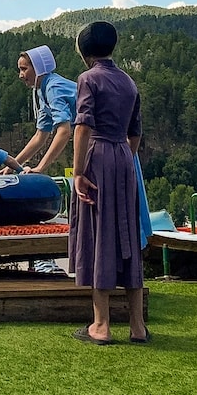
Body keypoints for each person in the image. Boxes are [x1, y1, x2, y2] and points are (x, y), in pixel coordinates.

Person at [68, 21, 148, 345]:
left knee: (97, 235)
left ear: (83, 51)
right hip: (124, 158)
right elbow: (136, 131)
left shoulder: (88, 78)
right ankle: (137, 326)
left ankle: (100, 325)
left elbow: (82, 126)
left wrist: (78, 172)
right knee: (126, 234)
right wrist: (123, 160)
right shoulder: (128, 81)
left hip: (97, 155)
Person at [10, 46, 78, 174]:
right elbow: (40, 136)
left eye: (24, 69)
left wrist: (40, 168)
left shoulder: (53, 88)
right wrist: (11, 166)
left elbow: (64, 131)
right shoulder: (42, 91)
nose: (20, 75)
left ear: (38, 68)